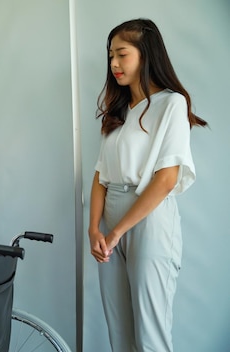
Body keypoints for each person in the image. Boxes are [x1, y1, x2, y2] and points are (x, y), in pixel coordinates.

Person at [88, 18, 207, 352]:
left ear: (145, 54)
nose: (113, 63)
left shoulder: (171, 103)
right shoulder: (119, 112)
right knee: (120, 335)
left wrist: (115, 232)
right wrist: (94, 229)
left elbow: (166, 179)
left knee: (150, 336)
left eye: (121, 54)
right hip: (110, 222)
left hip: (148, 220)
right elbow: (100, 176)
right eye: (110, 55)